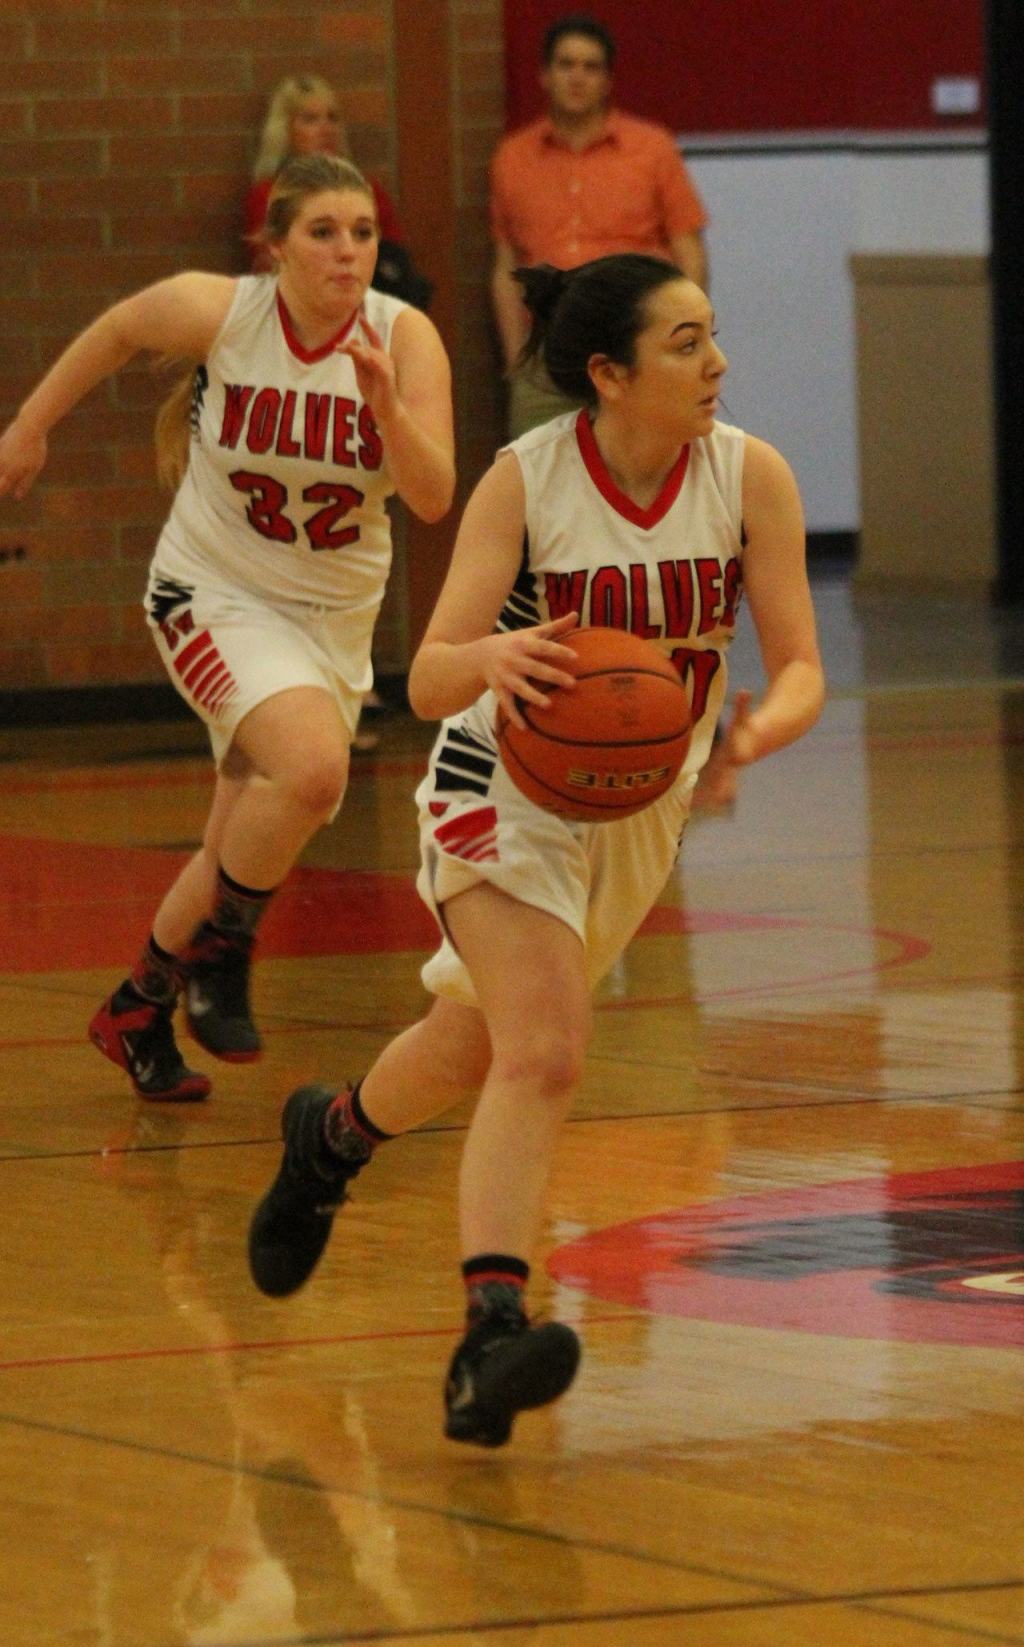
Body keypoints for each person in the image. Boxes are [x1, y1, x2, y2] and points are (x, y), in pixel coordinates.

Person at [245, 252, 826, 1447]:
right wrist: (494, 659)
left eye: (711, 336)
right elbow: (429, 677)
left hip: (639, 807)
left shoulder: (748, 474)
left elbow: (803, 664)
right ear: (608, 374)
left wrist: (754, 730)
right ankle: (490, 1334)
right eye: (685, 344)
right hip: (501, 784)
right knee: (547, 1050)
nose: (716, 363)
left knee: (472, 1044)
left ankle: (331, 1138)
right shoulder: (528, 479)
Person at [0, 152, 455, 1103]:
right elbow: (119, 331)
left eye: (363, 232)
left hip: (330, 623)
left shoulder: (404, 337)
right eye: (323, 232)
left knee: (234, 845)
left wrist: (386, 408)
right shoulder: (226, 312)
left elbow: (432, 496)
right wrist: (28, 428)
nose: (347, 251)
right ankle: (224, 956)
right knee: (314, 771)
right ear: (276, 245)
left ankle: (136, 1006)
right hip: (211, 594)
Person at [490, 13, 709, 440]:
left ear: (608, 81)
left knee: (645, 463)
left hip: (636, 345)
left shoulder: (653, 149)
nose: (577, 77)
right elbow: (505, 266)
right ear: (544, 75)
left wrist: (683, 341)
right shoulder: (512, 157)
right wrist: (517, 359)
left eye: (590, 67)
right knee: (535, 469)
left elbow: (689, 252)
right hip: (547, 353)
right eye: (566, 64)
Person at [244, 75, 403, 272]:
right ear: (285, 131)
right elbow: (271, 265)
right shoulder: (268, 196)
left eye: (332, 118)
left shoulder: (367, 191)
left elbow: (394, 262)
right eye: (310, 119)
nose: (326, 129)